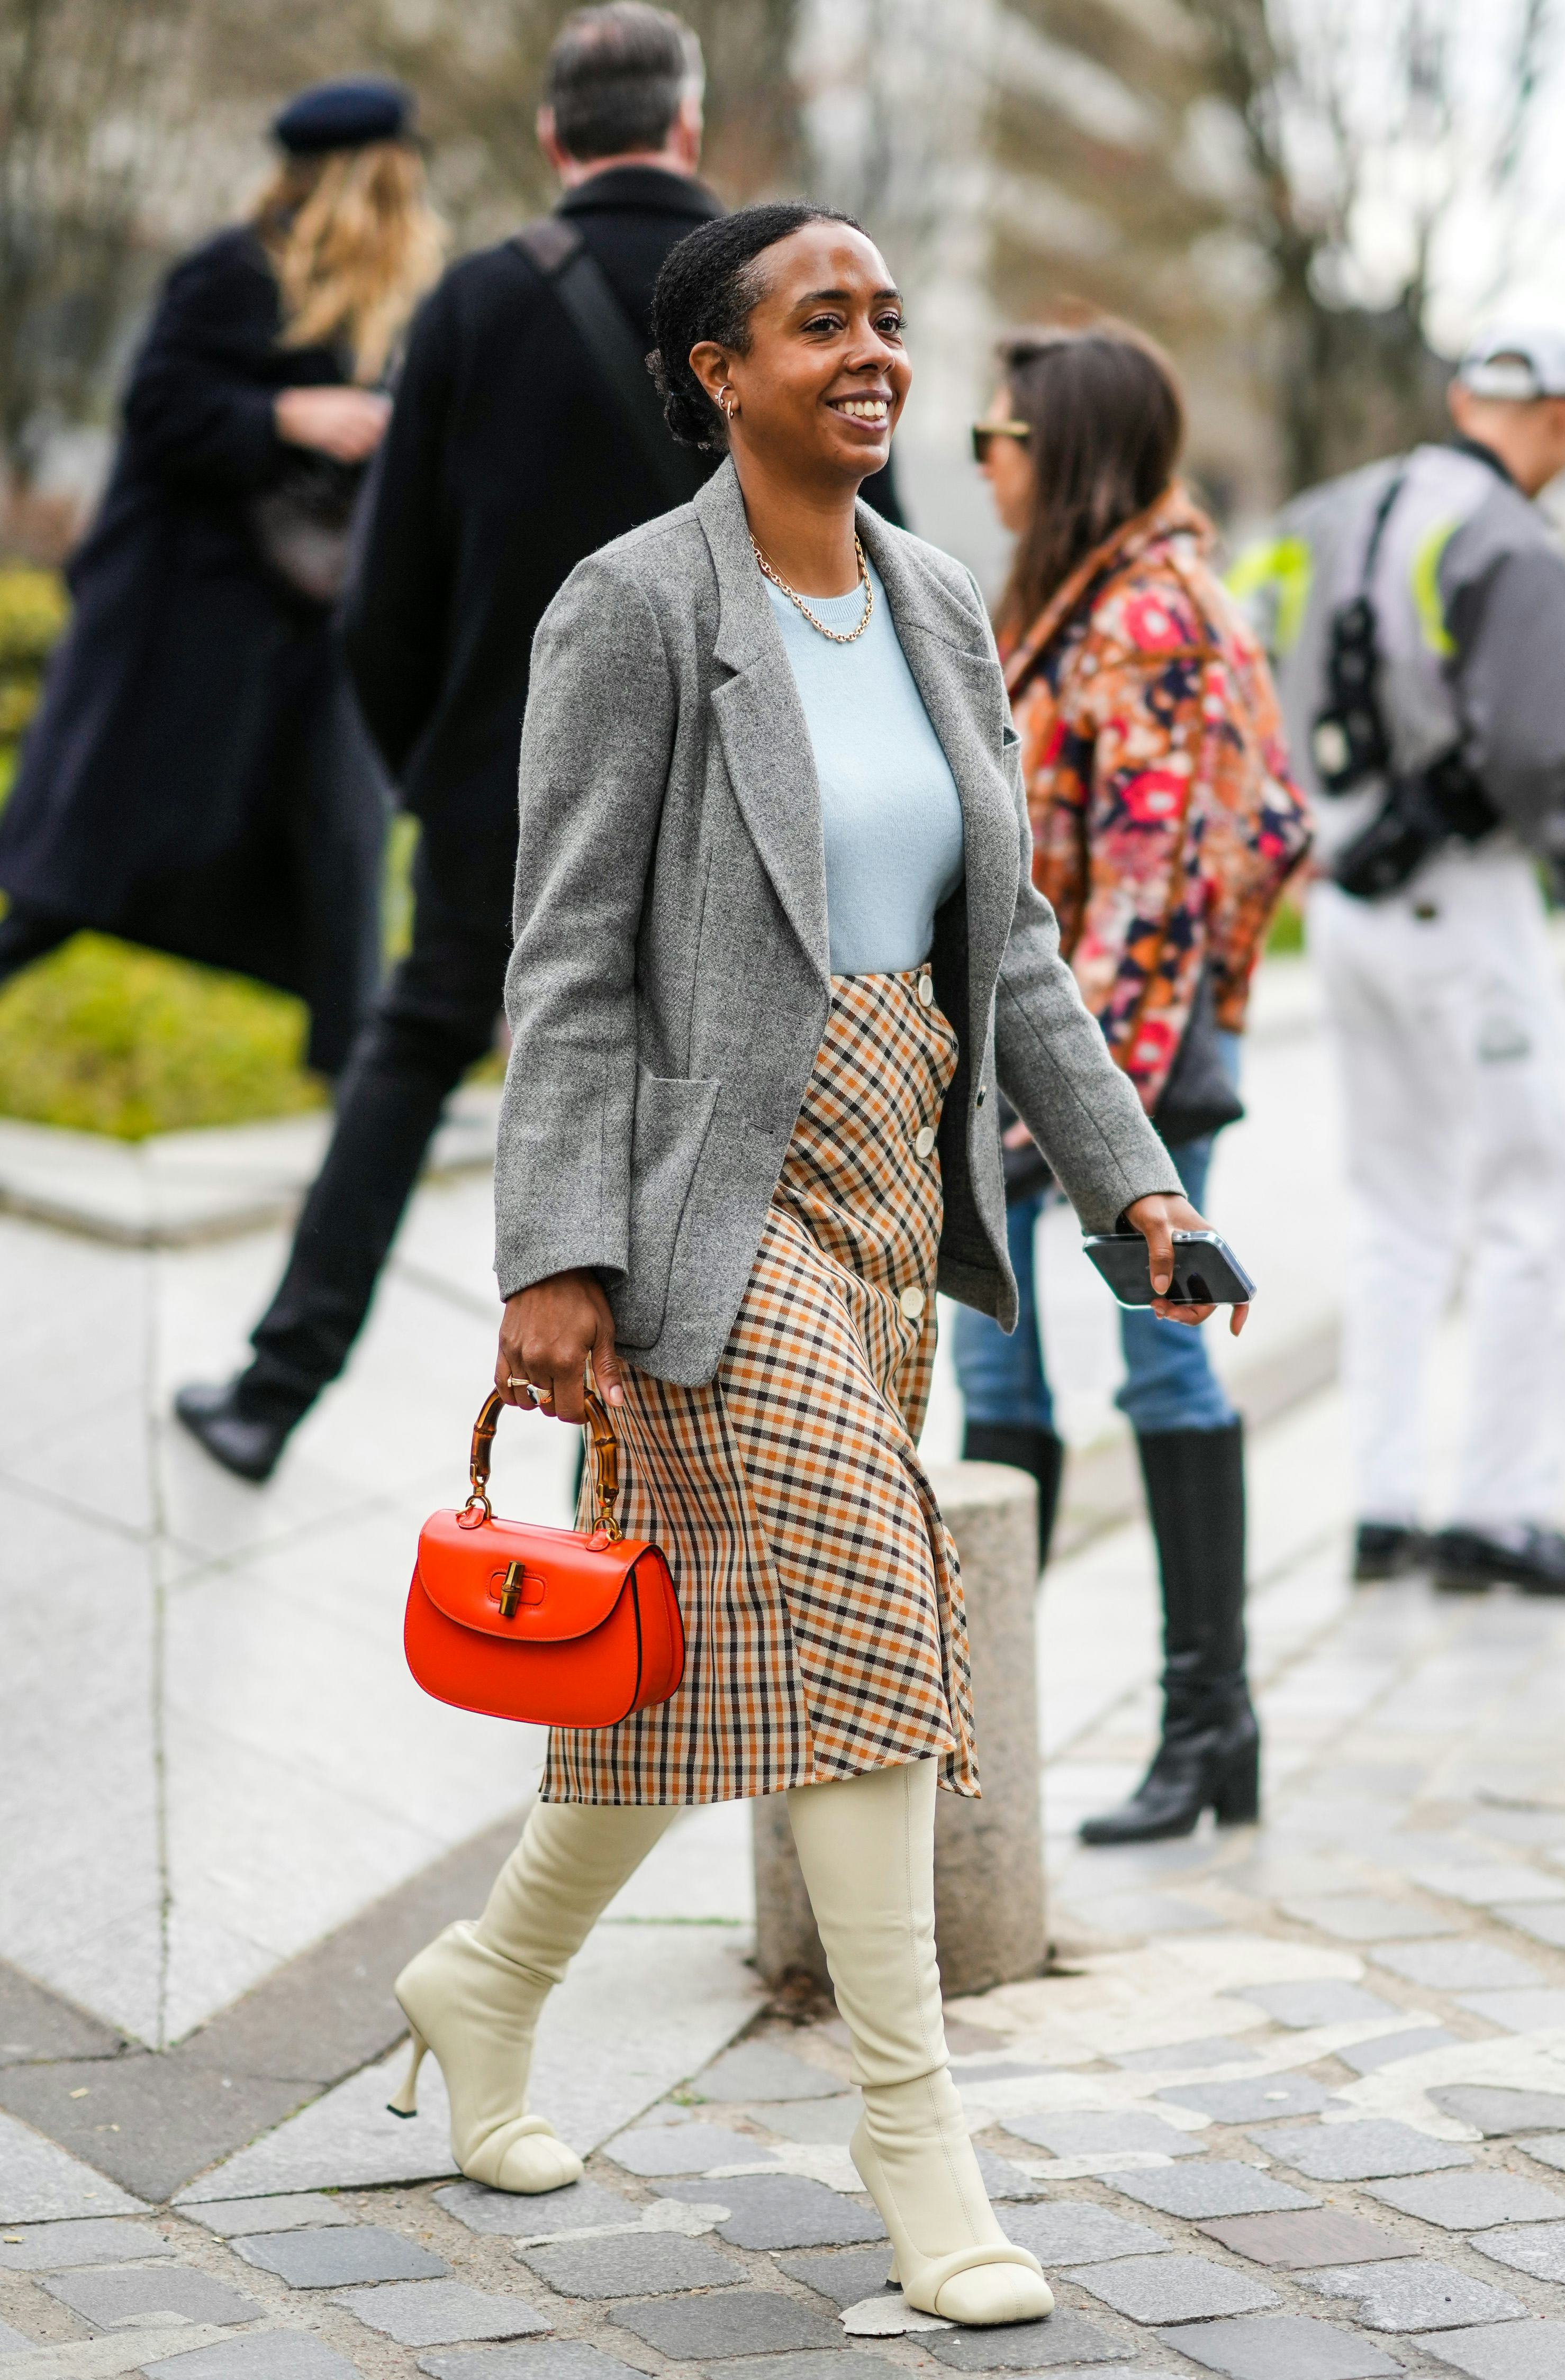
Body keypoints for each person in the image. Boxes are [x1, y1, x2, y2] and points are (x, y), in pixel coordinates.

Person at [384, 201, 1239, 2325]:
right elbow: (565, 950)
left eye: (882, 318)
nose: (871, 351)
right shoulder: (635, 606)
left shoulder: (940, 599)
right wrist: (552, 1252)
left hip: (893, 1183)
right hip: (709, 1193)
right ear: (715, 371)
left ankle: (481, 1982)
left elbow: (1013, 943)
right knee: (873, 1599)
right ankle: (912, 2132)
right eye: (818, 320)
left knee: (690, 1647)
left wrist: (1138, 1189)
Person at [175, 3, 905, 1484]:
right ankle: (654, 1474)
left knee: (412, 1059)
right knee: (706, 1101)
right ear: (689, 129)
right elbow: (865, 558)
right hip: (739, 806)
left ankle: (273, 1388)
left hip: (502, 787)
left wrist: (436, 764)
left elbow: (382, 598)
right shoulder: (805, 297)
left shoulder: (472, 304)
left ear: (552, 137)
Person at [960, 325, 1310, 1845]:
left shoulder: (1150, 619)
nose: (983, 462)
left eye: (1000, 437)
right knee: (997, 1372)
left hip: (1123, 1068)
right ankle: (979, 1731)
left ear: (1068, 451)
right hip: (1059, 1061)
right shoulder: (1078, 602)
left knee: (1158, 1363)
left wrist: (1061, 1111)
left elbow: (1156, 894)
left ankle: (1206, 1718)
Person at [1236, 325, 1565, 1597]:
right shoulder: (1511, 545)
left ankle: (1385, 1505)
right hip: (1465, 902)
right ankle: (1499, 1508)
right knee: (1534, 1201)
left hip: (1345, 904)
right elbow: (1547, 757)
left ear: (1459, 398)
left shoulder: (1325, 514)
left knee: (1395, 1207)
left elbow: (1249, 662)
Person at [0, 78, 441, 1074]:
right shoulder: (233, 271)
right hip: (183, 634)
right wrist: (289, 417)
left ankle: (355, 1103)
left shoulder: (366, 305)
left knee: (341, 863)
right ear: (366, 180)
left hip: (296, 634)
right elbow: (157, 405)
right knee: (83, 878)